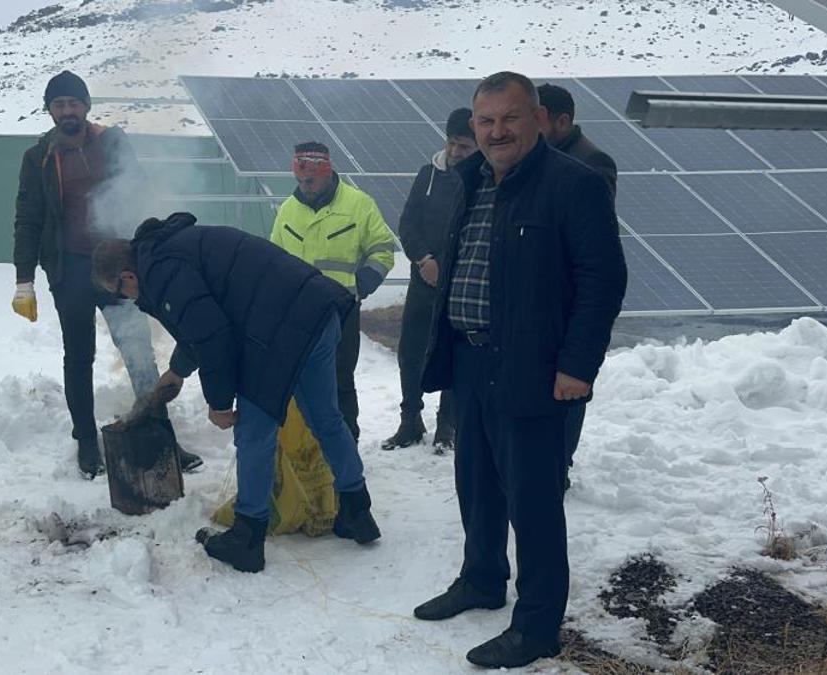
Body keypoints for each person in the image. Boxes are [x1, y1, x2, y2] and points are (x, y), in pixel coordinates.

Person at [412, 72, 627, 668]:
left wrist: (578, 365)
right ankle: (481, 580)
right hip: (470, 358)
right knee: (475, 484)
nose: (496, 131)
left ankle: (536, 626)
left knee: (532, 501)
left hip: (535, 367)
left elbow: (603, 281)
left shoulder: (573, 185)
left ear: (536, 118)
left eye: (509, 118)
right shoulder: (469, 180)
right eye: (486, 121)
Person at [92, 213, 381, 573]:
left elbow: (214, 336)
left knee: (254, 433)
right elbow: (204, 319)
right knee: (325, 418)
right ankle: (358, 511)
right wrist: (178, 371)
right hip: (317, 311)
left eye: (119, 292)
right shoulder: (170, 249)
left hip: (277, 331)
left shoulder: (161, 272)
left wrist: (218, 404)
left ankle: (247, 537)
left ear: (127, 277)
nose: (128, 299)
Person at [10, 70, 201, 478]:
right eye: (58, 104)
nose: (66, 111)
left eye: (73, 103)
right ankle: (85, 442)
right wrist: (23, 278)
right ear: (49, 111)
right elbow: (27, 219)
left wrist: (154, 249)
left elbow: (138, 190)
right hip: (71, 269)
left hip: (118, 266)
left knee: (139, 352)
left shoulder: (112, 142)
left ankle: (160, 432)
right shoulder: (38, 158)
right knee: (79, 356)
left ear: (86, 106)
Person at [269, 143, 398, 441]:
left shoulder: (358, 204)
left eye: (311, 180)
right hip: (298, 315)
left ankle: (346, 445)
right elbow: (274, 260)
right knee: (301, 381)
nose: (306, 186)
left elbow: (382, 248)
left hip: (341, 312)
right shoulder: (288, 210)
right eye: (301, 180)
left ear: (327, 172)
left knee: (339, 382)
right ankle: (310, 449)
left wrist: (363, 284)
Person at [537, 82, 620, 488]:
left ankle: (557, 468)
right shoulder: (538, 159)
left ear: (562, 121)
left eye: (536, 120)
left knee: (567, 391)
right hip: (542, 302)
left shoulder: (591, 164)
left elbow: (594, 255)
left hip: (567, 303)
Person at [382, 108, 476, 454]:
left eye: (463, 146)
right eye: (451, 144)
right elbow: (408, 223)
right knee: (411, 351)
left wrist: (452, 269)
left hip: (461, 283)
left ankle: (447, 424)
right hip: (424, 278)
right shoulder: (428, 175)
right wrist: (423, 260)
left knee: (453, 351)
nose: (454, 152)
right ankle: (410, 419)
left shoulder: (482, 179)